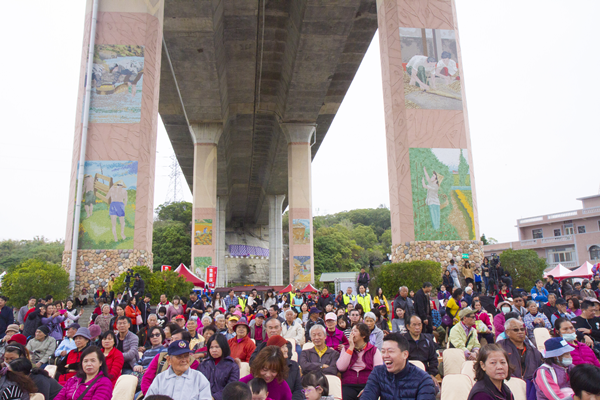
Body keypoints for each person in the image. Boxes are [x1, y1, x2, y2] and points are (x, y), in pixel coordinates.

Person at [360, 332, 436, 400]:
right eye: (383, 351)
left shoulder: (423, 380)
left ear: (405, 354)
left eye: (390, 351)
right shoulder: (378, 373)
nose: (385, 356)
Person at [146, 339, 211, 400]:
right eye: (179, 357)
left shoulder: (199, 378)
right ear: (169, 360)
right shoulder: (160, 379)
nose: (184, 360)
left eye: (186, 356)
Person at [497, 318, 542, 400]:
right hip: (508, 385)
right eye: (516, 330)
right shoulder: (500, 347)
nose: (520, 332)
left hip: (531, 388)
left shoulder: (533, 350)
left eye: (522, 329)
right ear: (507, 332)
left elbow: (539, 369)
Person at [336, 323, 383, 400]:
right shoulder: (346, 349)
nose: (352, 333)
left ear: (363, 335)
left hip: (367, 384)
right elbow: (341, 367)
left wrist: (370, 387)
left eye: (355, 331)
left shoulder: (373, 350)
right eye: (352, 330)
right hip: (348, 384)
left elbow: (378, 371)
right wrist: (351, 347)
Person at [198, 334, 239, 400]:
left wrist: (214, 397)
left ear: (223, 347)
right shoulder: (203, 365)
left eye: (217, 347)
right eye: (211, 347)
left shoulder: (232, 366)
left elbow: (231, 387)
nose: (214, 350)